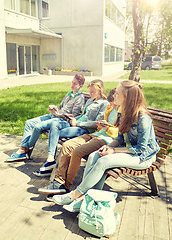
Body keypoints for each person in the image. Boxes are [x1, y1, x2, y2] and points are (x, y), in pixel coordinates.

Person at [52, 80, 160, 210]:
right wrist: (110, 147)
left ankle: (76, 194)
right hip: (130, 152)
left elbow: (141, 148)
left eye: (118, 94)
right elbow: (120, 137)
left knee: (104, 161)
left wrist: (113, 151)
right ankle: (86, 200)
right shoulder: (123, 112)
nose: (114, 96)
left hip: (144, 157)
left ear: (127, 98)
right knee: (93, 156)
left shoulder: (143, 117)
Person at [37, 88, 119, 195]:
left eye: (114, 104)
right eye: (111, 103)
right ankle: (58, 181)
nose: (112, 106)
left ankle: (66, 185)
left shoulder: (123, 113)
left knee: (77, 151)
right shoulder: (110, 108)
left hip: (106, 140)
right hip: (95, 134)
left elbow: (119, 133)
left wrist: (106, 128)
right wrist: (101, 124)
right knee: (66, 145)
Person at [32, 79, 109, 177]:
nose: (90, 94)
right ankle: (50, 159)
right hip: (76, 123)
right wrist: (71, 119)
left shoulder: (104, 103)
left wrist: (78, 123)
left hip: (84, 129)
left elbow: (95, 124)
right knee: (55, 124)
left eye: (93, 92)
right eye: (89, 91)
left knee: (54, 132)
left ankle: (51, 164)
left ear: (100, 90)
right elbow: (83, 115)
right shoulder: (90, 100)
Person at [5, 74, 86, 162]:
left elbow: (73, 116)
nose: (72, 85)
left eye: (75, 83)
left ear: (81, 85)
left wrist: (58, 114)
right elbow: (60, 107)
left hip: (61, 120)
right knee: (29, 123)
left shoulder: (80, 98)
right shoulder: (69, 94)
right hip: (54, 115)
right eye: (72, 82)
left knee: (38, 127)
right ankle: (23, 150)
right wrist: (54, 108)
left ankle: (24, 149)